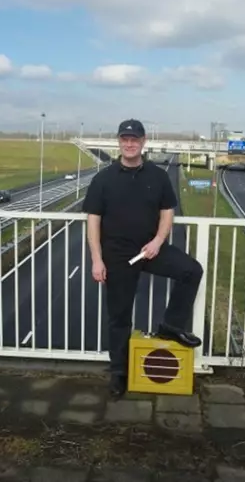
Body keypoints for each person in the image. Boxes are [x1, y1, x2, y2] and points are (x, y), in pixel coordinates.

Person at [82, 118, 204, 398]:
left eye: (134, 139)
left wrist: (158, 242)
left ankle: (171, 327)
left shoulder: (158, 176)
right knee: (120, 318)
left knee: (191, 271)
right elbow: (93, 221)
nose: (129, 143)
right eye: (125, 139)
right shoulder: (104, 179)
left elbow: (167, 212)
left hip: (150, 250)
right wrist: (97, 260)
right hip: (117, 256)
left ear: (143, 141)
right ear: (119, 141)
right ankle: (118, 373)